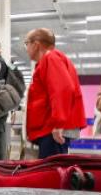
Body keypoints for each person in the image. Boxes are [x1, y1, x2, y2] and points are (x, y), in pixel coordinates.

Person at [23, 28, 87, 159]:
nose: (26, 48)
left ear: (36, 44)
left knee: (50, 174)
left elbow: (63, 89)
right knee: (51, 171)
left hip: (52, 130)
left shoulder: (50, 58)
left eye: (26, 43)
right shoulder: (53, 59)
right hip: (50, 128)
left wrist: (58, 124)